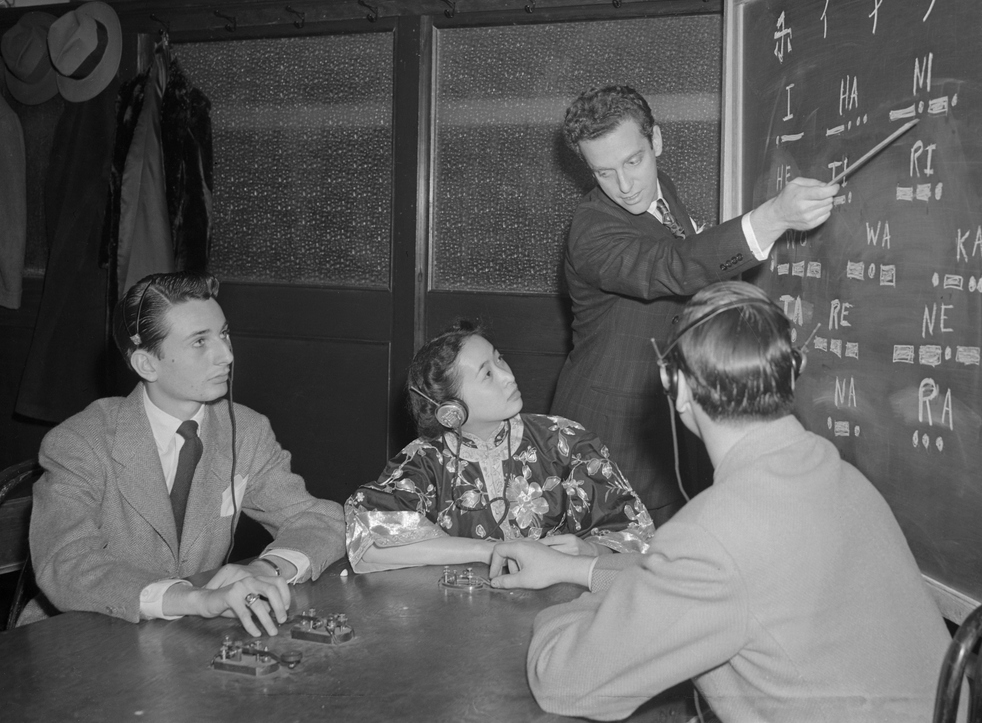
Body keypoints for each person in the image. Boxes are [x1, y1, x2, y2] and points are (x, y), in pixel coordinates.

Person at [492, 281, 950, 723]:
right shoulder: (837, 474)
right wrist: (580, 570)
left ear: (677, 386)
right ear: (794, 369)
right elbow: (722, 581)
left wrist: (559, 607)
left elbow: (567, 683)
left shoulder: (711, 538)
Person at [551, 85, 839, 522]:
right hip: (607, 433)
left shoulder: (662, 191)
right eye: (604, 173)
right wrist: (774, 217)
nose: (625, 186)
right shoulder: (591, 230)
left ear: (657, 142)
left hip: (674, 420)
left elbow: (691, 270)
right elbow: (670, 265)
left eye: (634, 161)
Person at [30, 272, 344, 637]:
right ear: (147, 364)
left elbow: (320, 520)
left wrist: (268, 568)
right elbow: (66, 564)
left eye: (223, 333)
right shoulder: (80, 441)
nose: (226, 354)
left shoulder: (246, 431)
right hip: (80, 637)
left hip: (190, 639)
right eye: (199, 342)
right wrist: (193, 599)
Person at [345, 320, 654, 572]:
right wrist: (489, 551)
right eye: (488, 374)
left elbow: (635, 531)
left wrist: (591, 548)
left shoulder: (563, 440)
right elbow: (370, 541)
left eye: (500, 358)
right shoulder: (424, 462)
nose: (508, 376)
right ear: (451, 410)